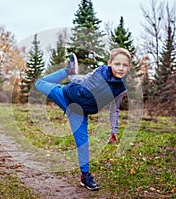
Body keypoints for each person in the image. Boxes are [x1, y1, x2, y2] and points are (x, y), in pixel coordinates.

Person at [35, 48, 132, 191]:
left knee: (83, 144)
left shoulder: (121, 88)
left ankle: (85, 177)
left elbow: (115, 109)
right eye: (117, 64)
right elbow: (83, 79)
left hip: (79, 112)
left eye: (125, 65)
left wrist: (114, 129)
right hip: (65, 95)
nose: (121, 68)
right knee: (39, 83)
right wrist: (71, 76)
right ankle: (68, 70)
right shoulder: (100, 72)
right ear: (109, 63)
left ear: (129, 67)